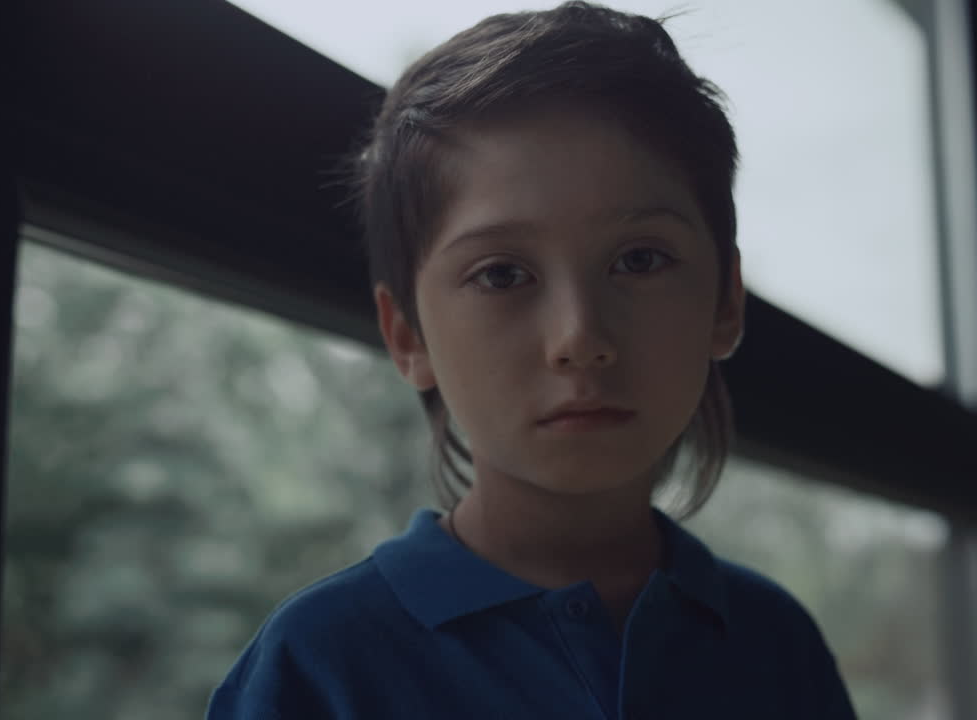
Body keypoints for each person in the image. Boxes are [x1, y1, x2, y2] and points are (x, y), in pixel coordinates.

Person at [207, 2, 858, 718]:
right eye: (502, 275)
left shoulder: (777, 645)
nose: (579, 336)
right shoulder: (319, 665)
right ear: (408, 337)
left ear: (725, 304)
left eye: (639, 260)